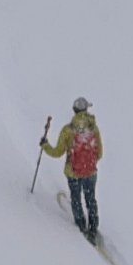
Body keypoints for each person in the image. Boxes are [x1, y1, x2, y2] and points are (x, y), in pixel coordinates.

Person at [42, 97, 104, 244]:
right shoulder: (93, 129)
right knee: (91, 200)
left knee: (76, 199)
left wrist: (45, 145)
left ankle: (81, 226)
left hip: (73, 172)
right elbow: (99, 153)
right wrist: (88, 163)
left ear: (74, 111)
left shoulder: (67, 130)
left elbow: (57, 152)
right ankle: (93, 229)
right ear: (86, 110)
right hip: (90, 172)